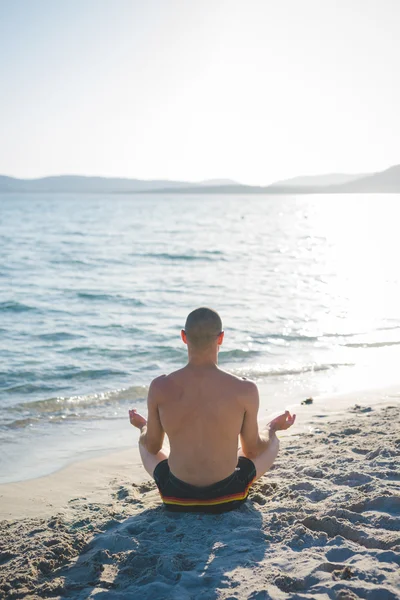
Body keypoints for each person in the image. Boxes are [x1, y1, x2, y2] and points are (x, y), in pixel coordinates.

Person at [129, 307, 295, 513]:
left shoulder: (160, 387)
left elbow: (153, 447)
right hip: (227, 495)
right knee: (270, 442)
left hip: (175, 496)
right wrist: (273, 428)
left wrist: (142, 426)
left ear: (183, 337)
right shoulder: (244, 389)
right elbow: (253, 449)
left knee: (144, 441)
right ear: (221, 338)